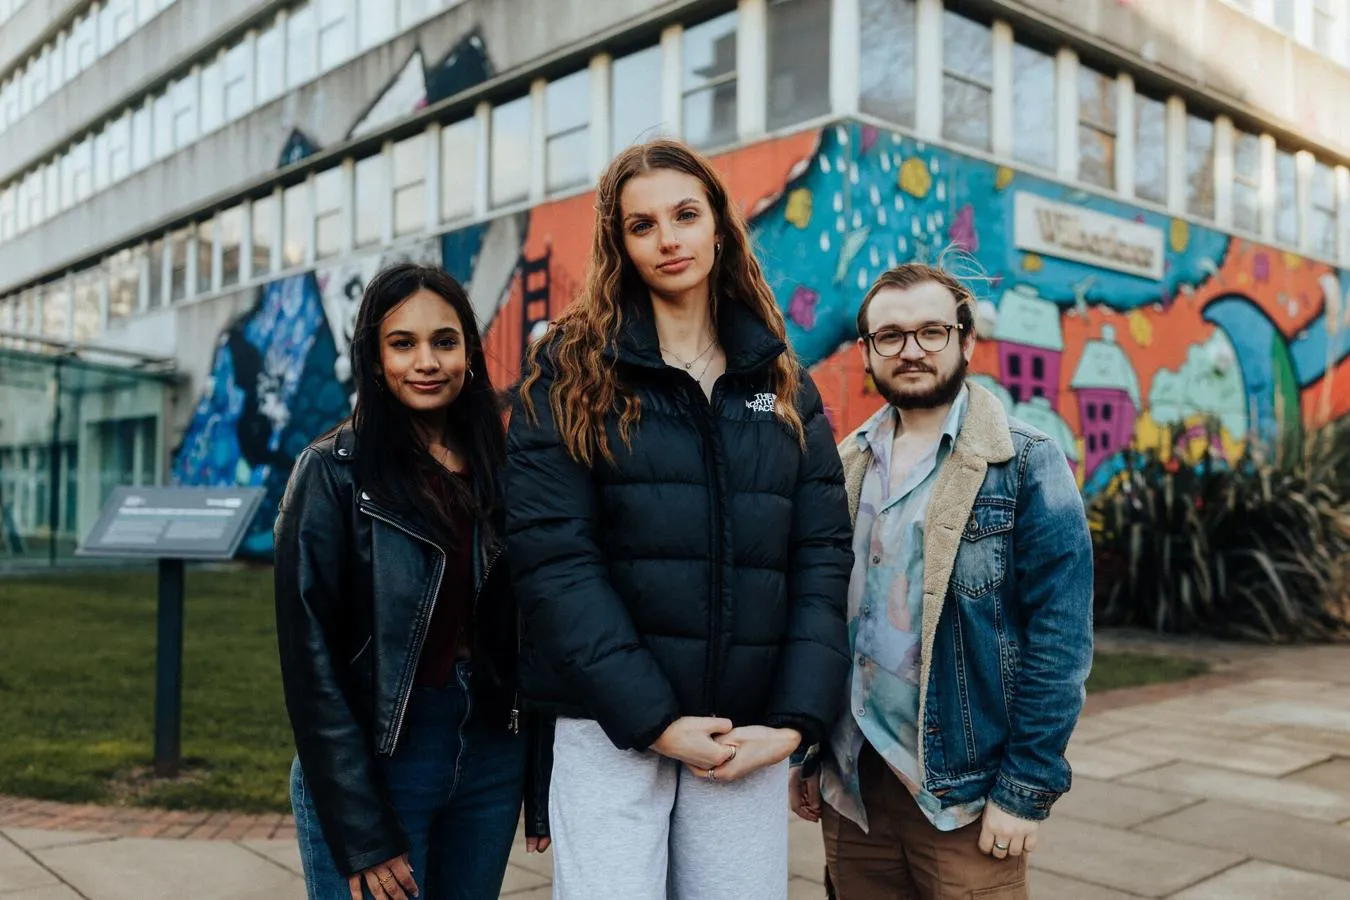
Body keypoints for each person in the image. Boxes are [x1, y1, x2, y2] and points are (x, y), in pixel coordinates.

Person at [504, 138, 853, 900]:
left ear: (719, 228)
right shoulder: (567, 373)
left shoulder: (783, 385)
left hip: (743, 729)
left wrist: (794, 722)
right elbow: (554, 560)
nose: (668, 238)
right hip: (610, 727)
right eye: (642, 224)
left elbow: (821, 556)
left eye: (686, 215)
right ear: (618, 244)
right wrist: (655, 721)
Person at [791, 262, 1094, 899]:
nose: (911, 350)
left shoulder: (1027, 463)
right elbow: (819, 615)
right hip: (854, 788)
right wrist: (809, 752)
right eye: (890, 336)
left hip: (964, 793)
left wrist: (1025, 790)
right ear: (868, 352)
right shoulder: (843, 462)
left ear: (965, 340)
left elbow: (1061, 644)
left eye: (931, 331)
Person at [274, 263, 549, 900]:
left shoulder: (502, 469)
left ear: (470, 355)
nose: (426, 361)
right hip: (382, 756)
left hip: (488, 753)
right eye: (403, 344)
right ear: (374, 358)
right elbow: (310, 668)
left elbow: (534, 628)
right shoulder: (330, 474)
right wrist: (361, 827)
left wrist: (534, 774)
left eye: (444, 342)